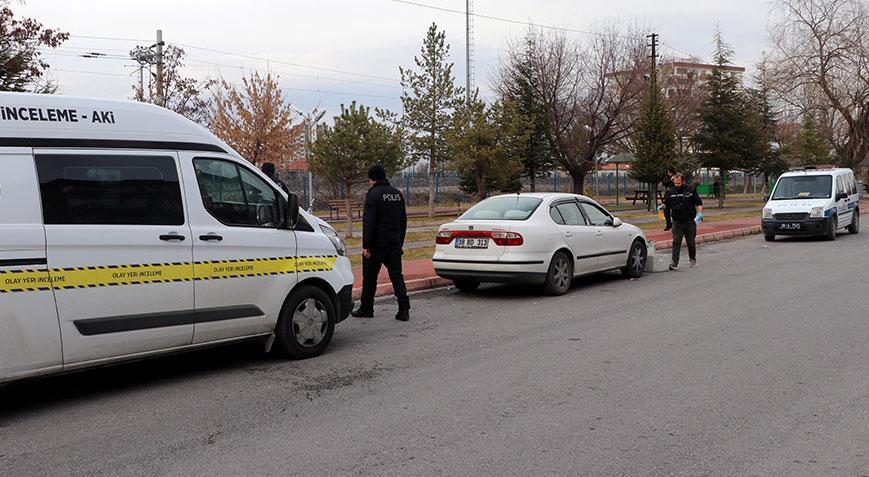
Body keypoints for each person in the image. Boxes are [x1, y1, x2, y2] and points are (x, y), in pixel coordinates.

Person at [351, 165, 410, 321]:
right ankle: (404, 309)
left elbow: (369, 222)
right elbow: (403, 221)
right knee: (397, 276)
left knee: (370, 277)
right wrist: (400, 242)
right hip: (394, 243)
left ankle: (366, 308)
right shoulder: (397, 194)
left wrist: (366, 246)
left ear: (372, 178)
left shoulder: (373, 195)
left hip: (377, 245)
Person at [664, 172, 703, 270]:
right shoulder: (670, 191)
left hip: (689, 221)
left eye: (678, 183)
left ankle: (692, 259)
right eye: (675, 183)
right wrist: (662, 207)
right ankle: (674, 262)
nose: (676, 185)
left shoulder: (690, 190)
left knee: (691, 243)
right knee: (676, 242)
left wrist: (699, 213)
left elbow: (699, 203)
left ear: (683, 181)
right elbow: (667, 204)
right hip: (677, 222)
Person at [660, 167, 676, 231]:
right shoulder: (667, 177)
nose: (668, 173)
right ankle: (668, 224)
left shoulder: (676, 176)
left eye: (669, 172)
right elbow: (664, 182)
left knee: (675, 211)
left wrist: (672, 180)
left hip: (674, 196)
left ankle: (675, 224)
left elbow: (675, 184)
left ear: (671, 172)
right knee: (666, 211)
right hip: (667, 196)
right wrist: (670, 180)